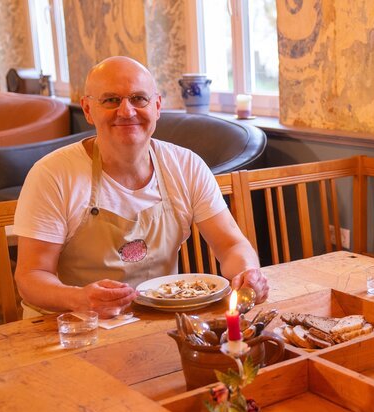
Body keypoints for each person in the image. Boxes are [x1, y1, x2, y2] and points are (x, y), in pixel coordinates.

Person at [14, 56, 268, 318]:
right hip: (72, 325)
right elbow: (31, 276)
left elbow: (231, 245)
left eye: (138, 98)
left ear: (157, 106)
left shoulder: (187, 166)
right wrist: (79, 299)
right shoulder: (53, 174)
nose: (126, 111)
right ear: (88, 110)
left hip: (158, 321)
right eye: (111, 100)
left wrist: (246, 274)